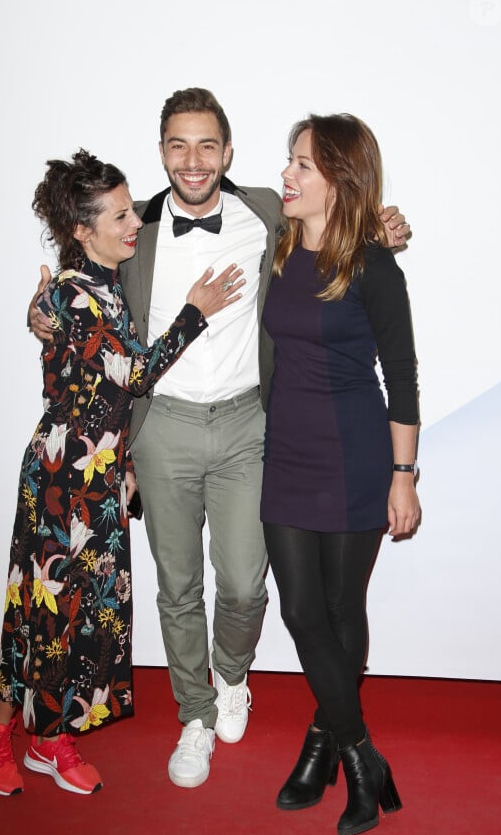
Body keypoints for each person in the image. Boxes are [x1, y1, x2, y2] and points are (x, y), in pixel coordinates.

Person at [30, 88, 410, 790]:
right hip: (163, 427)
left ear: (228, 152)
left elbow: (344, 222)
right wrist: (43, 310)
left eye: (208, 145)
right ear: (162, 151)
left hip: (248, 424)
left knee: (243, 583)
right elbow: (80, 281)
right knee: (178, 587)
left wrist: (384, 225)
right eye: (178, 144)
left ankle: (232, 677)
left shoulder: (268, 209)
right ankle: (196, 715)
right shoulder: (133, 227)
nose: (194, 160)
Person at [0, 149, 244, 798]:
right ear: (83, 231)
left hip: (103, 481)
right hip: (61, 481)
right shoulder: (70, 292)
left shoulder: (107, 284)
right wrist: (196, 312)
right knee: (42, 612)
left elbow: (103, 391)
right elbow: (133, 374)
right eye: (120, 215)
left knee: (92, 615)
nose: (133, 223)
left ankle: (54, 736)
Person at [260, 114, 420, 835]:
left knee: (338, 604)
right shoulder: (282, 240)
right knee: (299, 611)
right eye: (289, 162)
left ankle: (324, 745)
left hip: (356, 453)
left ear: (340, 181)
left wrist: (403, 475)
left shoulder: (375, 265)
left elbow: (404, 377)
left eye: (302, 166)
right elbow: (183, 199)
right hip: (287, 451)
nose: (287, 176)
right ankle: (361, 754)